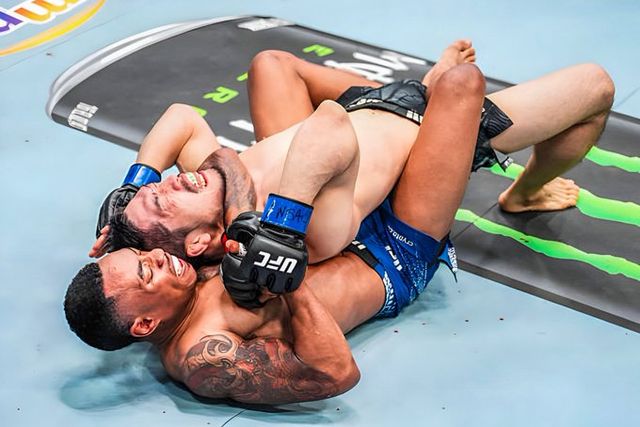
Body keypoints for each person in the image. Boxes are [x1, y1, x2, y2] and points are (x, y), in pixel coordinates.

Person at [65, 45, 614, 403]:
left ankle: (401, 105)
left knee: (274, 67)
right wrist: (287, 278)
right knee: (471, 85)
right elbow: (335, 375)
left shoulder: (186, 261)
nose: (157, 258)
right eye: (146, 271)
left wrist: (135, 189)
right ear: (144, 326)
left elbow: (204, 145)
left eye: (143, 254)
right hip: (393, 251)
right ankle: (504, 172)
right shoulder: (203, 354)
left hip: (325, 218)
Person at [90, 41, 614, 274]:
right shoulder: (293, 233)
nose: (167, 183)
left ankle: (423, 84)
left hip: (368, 109)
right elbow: (329, 122)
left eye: (155, 188)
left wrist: (131, 188)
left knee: (270, 62)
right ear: (201, 241)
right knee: (595, 87)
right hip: (424, 135)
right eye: (161, 203)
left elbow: (181, 117)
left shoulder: (213, 187)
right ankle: (526, 191)